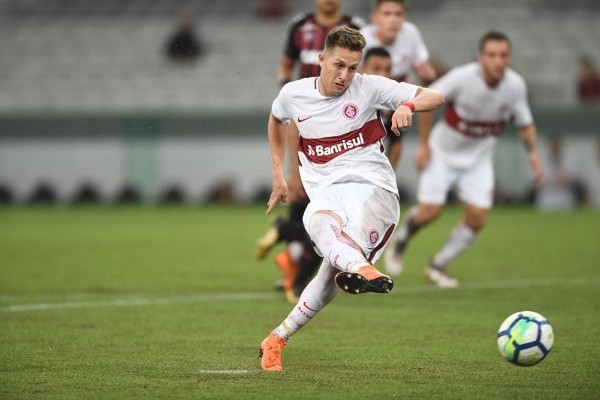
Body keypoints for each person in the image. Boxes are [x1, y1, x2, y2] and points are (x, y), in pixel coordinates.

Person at [259, 27, 444, 371]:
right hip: (328, 193)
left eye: (352, 68)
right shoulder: (294, 94)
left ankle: (355, 266)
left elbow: (435, 96)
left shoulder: (370, 87)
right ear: (321, 59)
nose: (345, 76)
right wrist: (278, 175)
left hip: (373, 190)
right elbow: (275, 119)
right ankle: (277, 338)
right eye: (339, 65)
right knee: (318, 229)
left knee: (327, 256)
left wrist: (408, 104)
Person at [384, 31, 543, 287]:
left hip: (478, 161)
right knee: (430, 213)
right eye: (492, 55)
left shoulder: (515, 86)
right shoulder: (461, 78)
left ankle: (438, 265)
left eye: (503, 55)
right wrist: (424, 145)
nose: (498, 61)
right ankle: (402, 239)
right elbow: (426, 99)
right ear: (480, 57)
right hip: (442, 154)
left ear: (509, 57)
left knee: (477, 218)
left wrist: (533, 155)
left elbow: (525, 123)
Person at [255, 0, 365, 304]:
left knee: (316, 213)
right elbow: (285, 65)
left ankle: (288, 250)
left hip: (340, 118)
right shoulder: (299, 26)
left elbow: (363, 74)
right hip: (306, 118)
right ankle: (296, 277)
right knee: (312, 208)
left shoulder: (355, 27)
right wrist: (289, 93)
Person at [360, 0, 437, 168]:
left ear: (405, 17)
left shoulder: (410, 34)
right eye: (387, 14)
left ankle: (389, 177)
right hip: (366, 103)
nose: (393, 20)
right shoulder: (362, 39)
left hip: (396, 102)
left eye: (398, 14)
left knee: (396, 137)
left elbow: (425, 79)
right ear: (375, 17)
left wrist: (428, 75)